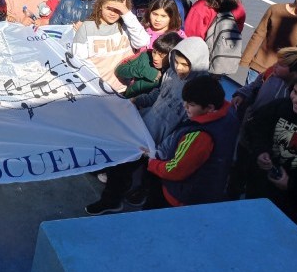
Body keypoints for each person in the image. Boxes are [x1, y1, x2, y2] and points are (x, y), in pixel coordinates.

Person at [85, 36, 210, 215]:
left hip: (165, 145)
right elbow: (159, 94)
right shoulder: (172, 72)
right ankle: (111, 200)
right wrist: (138, 100)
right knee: (121, 166)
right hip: (147, 129)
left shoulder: (200, 88)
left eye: (185, 64)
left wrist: (161, 149)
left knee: (152, 178)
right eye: (177, 61)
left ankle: (141, 194)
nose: (180, 67)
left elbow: (188, 125)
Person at [142, 75, 240, 208]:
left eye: (191, 105)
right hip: (207, 190)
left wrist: (153, 163)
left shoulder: (199, 136)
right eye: (185, 101)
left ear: (210, 108)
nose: (185, 106)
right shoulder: (228, 113)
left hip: (179, 197)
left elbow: (176, 169)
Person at [245, 70, 297, 221]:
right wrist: (260, 151)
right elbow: (255, 127)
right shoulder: (281, 107)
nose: (296, 99)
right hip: (259, 186)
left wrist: (290, 184)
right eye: (295, 92)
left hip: (290, 204)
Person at [70, 0, 148, 94]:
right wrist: (100, 85)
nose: (113, 13)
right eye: (109, 8)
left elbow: (142, 42)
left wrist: (126, 13)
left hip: (127, 89)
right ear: (101, 5)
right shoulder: (87, 28)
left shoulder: (127, 26)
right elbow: (79, 60)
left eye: (118, 10)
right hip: (100, 91)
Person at [115, 31, 182, 98]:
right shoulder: (145, 56)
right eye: (154, 52)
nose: (155, 58)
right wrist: (142, 70)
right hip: (129, 100)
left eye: (162, 56)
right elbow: (119, 70)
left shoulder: (173, 73)